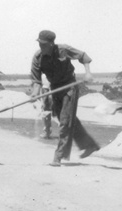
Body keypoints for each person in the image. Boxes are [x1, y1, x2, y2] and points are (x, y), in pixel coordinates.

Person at [30, 30, 100, 166]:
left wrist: (87, 73)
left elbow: (83, 56)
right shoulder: (37, 57)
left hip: (69, 87)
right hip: (55, 88)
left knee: (65, 121)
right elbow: (36, 80)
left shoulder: (63, 49)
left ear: (51, 44)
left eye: (44, 44)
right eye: (39, 43)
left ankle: (58, 156)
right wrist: (34, 93)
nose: (41, 47)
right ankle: (89, 145)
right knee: (64, 118)